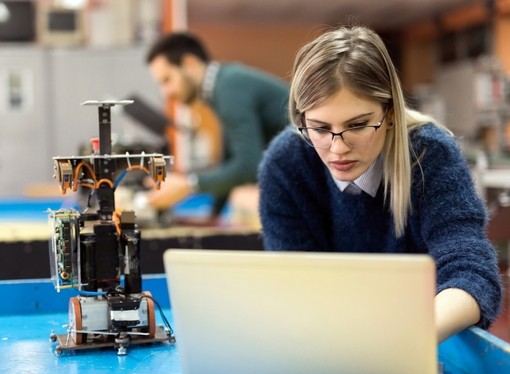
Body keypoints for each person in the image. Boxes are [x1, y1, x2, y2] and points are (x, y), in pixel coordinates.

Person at [258, 25, 502, 343]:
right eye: (319, 128)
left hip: (421, 336)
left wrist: (405, 342)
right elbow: (297, 286)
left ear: (389, 114)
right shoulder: (285, 166)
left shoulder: (430, 154)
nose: (338, 147)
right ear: (301, 120)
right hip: (326, 340)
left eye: (357, 125)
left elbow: (472, 269)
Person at [145, 32, 289, 217]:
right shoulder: (223, 85)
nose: (166, 93)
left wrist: (188, 184)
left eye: (167, 80)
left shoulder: (229, 88)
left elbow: (249, 166)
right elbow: (229, 160)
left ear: (189, 64)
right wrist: (213, 216)